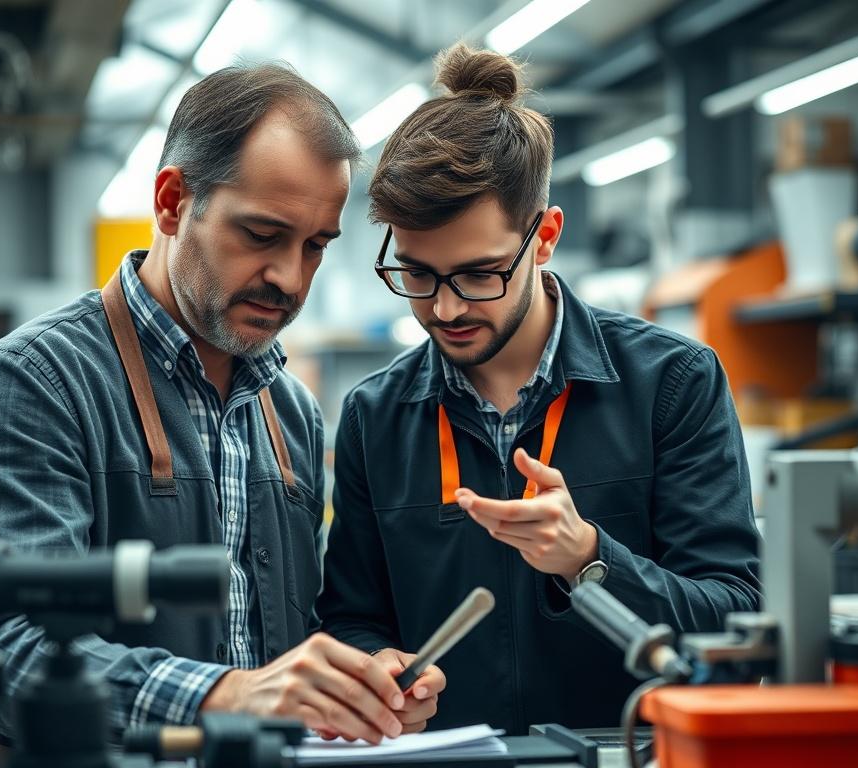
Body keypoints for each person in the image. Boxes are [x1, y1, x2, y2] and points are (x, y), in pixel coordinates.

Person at [0, 63, 443, 746]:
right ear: (173, 201)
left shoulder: (290, 412)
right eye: (261, 235)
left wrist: (358, 681)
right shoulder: (34, 384)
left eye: (316, 246)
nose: (290, 278)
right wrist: (225, 696)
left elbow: (281, 646)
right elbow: (10, 650)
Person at [317, 43, 761, 733]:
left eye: (479, 273)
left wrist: (590, 559)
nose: (446, 308)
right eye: (418, 274)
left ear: (545, 237)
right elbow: (351, 617)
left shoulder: (671, 384)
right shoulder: (375, 416)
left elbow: (736, 622)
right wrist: (375, 668)